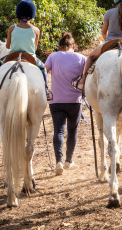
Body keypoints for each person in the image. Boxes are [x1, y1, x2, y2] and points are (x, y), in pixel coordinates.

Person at [76, 0, 122, 89]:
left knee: (90, 57)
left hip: (110, 42)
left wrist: (107, 41)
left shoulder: (109, 13)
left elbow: (104, 32)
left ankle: (82, 81)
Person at [0, 0, 49, 97]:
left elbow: (7, 46)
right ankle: (46, 90)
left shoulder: (12, 28)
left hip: (13, 55)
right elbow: (35, 48)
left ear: (18, 14)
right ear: (32, 15)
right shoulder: (36, 30)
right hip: (30, 57)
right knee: (43, 68)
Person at [45, 32, 86, 176]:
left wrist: (45, 90)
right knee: (72, 130)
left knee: (58, 131)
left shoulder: (53, 56)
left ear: (59, 46)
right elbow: (88, 76)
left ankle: (59, 162)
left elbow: (44, 72)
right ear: (73, 46)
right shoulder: (82, 58)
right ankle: (69, 160)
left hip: (56, 101)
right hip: (75, 101)